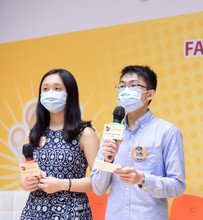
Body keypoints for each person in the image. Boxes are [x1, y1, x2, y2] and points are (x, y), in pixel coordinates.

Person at [91, 65, 186, 220]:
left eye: (133, 85)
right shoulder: (112, 131)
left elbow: (177, 186)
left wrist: (143, 179)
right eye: (122, 86)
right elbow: (97, 188)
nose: (125, 90)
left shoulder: (167, 131)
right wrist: (108, 160)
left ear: (150, 94)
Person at [20, 69, 99, 219]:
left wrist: (62, 184)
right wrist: (28, 182)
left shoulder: (85, 133)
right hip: (34, 212)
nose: (50, 93)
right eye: (45, 89)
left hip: (71, 212)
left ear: (70, 94)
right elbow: (23, 179)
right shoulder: (32, 135)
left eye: (57, 88)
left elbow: (98, 182)